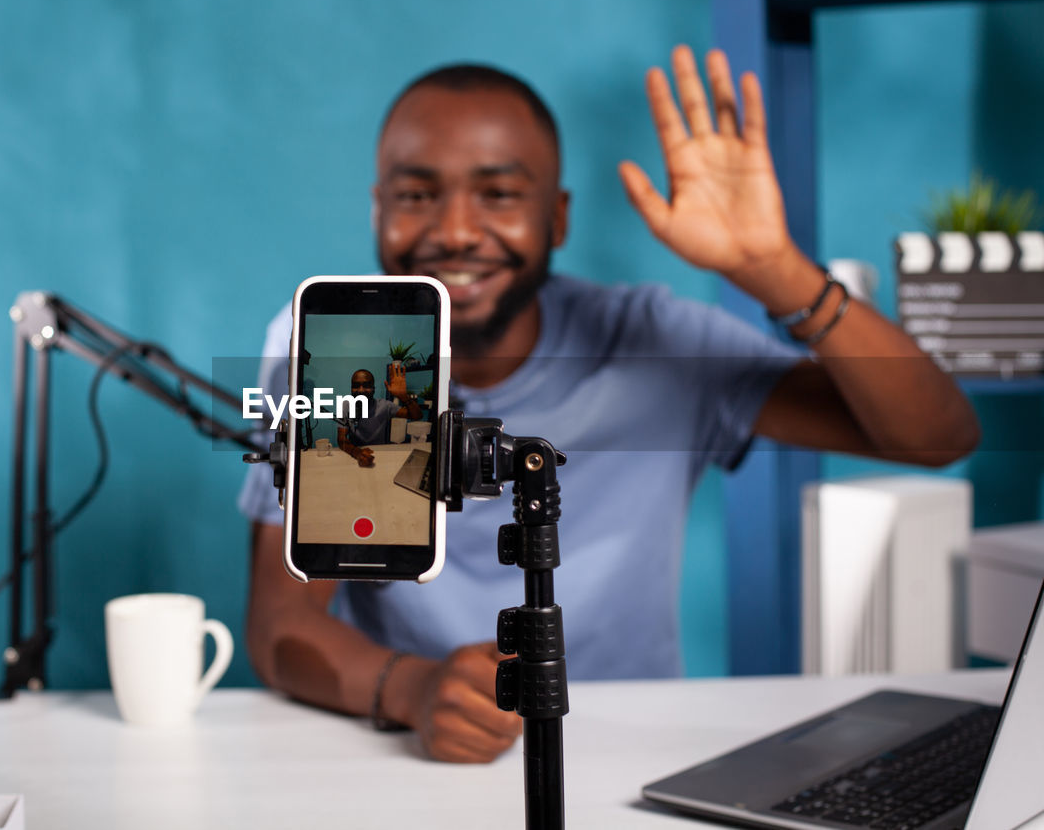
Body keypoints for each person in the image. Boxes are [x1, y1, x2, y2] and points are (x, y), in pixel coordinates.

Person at [237, 47, 980, 764]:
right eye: (416, 194)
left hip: (633, 753)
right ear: (378, 208)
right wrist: (414, 688)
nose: (456, 230)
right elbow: (281, 625)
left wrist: (779, 273)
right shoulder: (333, 356)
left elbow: (937, 434)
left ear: (558, 218)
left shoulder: (655, 340)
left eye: (499, 193)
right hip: (423, 758)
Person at [337, 366, 424, 466]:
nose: (361, 390)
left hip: (379, 456)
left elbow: (417, 416)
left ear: (373, 389)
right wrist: (357, 453)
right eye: (356, 386)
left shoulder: (385, 406)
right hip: (353, 455)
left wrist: (404, 397)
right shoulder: (346, 405)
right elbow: (341, 439)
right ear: (351, 388)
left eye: (366, 386)